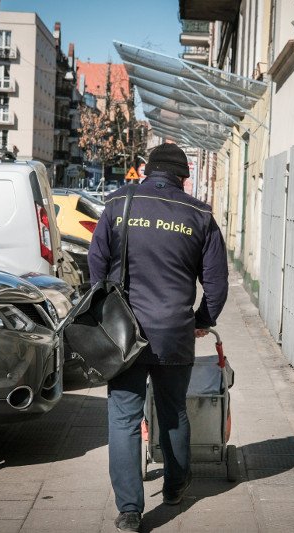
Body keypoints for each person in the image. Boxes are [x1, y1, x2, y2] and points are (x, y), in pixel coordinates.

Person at [88, 143, 228, 532]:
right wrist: (201, 319)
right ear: (183, 177)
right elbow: (216, 283)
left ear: (147, 172)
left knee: (123, 417)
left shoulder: (118, 204)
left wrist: (106, 312)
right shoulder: (199, 214)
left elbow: (96, 265)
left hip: (124, 334)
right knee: (173, 411)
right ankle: (175, 487)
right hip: (174, 334)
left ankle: (131, 510)